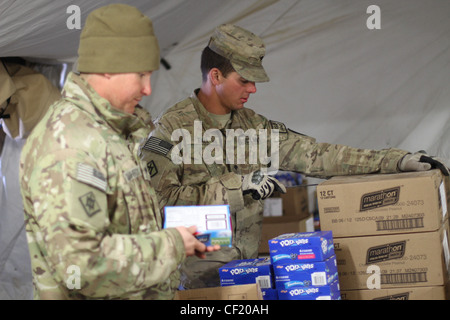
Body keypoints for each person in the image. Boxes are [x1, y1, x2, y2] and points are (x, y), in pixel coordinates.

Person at [140, 24, 449, 289]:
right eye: (244, 80)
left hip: (246, 274)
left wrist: (395, 160)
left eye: (254, 81)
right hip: (192, 283)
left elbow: (318, 155)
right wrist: (238, 187)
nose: (253, 89)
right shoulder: (170, 130)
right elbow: (155, 204)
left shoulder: (253, 126)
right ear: (216, 76)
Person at [19, 4, 218, 300]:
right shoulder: (69, 145)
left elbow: (119, 221)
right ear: (108, 68)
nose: (148, 89)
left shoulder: (106, 132)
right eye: (141, 75)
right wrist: (173, 244)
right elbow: (82, 265)